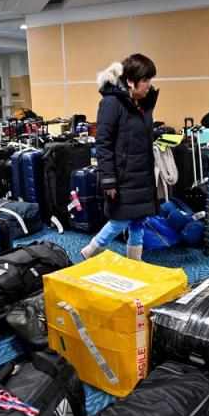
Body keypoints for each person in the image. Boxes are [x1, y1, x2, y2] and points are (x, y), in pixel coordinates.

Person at [80, 53, 158, 262]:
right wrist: (108, 180)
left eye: (150, 80)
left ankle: (135, 262)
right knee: (120, 220)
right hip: (122, 176)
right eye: (145, 80)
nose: (149, 85)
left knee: (139, 221)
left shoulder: (143, 105)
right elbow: (103, 144)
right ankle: (90, 251)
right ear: (130, 81)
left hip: (142, 174)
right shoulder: (111, 103)